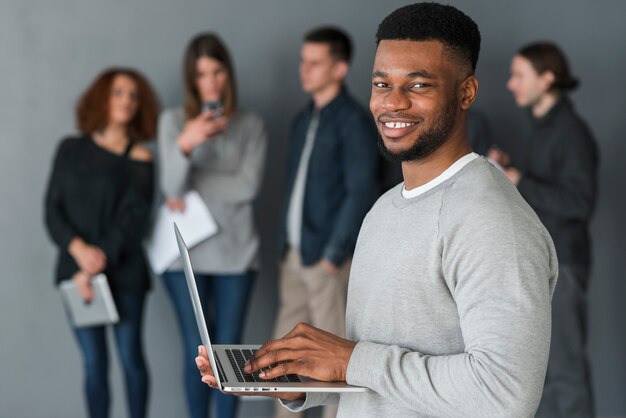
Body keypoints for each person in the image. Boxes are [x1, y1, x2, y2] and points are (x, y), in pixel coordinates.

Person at [196, 3, 559, 417]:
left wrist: (352, 359)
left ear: (466, 92)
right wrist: (297, 381)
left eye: (418, 85)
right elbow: (375, 381)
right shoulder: (383, 210)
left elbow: (505, 396)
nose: (393, 103)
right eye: (382, 84)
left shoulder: (492, 220)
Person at [157, 32, 267, 418]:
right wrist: (185, 145)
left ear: (228, 73)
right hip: (184, 255)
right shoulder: (172, 122)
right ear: (191, 78)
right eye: (202, 73)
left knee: (228, 352)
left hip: (237, 254)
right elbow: (170, 187)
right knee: (197, 349)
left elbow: (248, 187)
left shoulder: (251, 124)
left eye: (217, 71)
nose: (211, 81)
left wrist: (191, 181)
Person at [272, 26, 379, 418]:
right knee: (282, 362)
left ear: (339, 68)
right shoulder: (303, 120)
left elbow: (360, 191)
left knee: (332, 368)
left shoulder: (352, 121)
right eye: (303, 61)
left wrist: (334, 254)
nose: (304, 69)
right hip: (294, 255)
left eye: (314, 62)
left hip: (327, 260)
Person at [489, 41, 599, 418]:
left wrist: (518, 178)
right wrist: (515, 170)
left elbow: (579, 203)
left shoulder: (571, 133)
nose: (510, 84)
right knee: (545, 373)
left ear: (547, 79)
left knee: (565, 375)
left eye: (519, 75)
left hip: (563, 268)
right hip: (544, 268)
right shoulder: (543, 128)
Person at [44, 68, 158, 418]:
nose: (126, 101)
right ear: (102, 98)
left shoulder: (140, 158)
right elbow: (52, 209)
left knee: (130, 359)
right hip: (75, 274)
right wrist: (80, 253)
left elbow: (132, 221)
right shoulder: (69, 148)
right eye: (119, 92)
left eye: (134, 95)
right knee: (94, 366)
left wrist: (98, 258)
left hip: (124, 273)